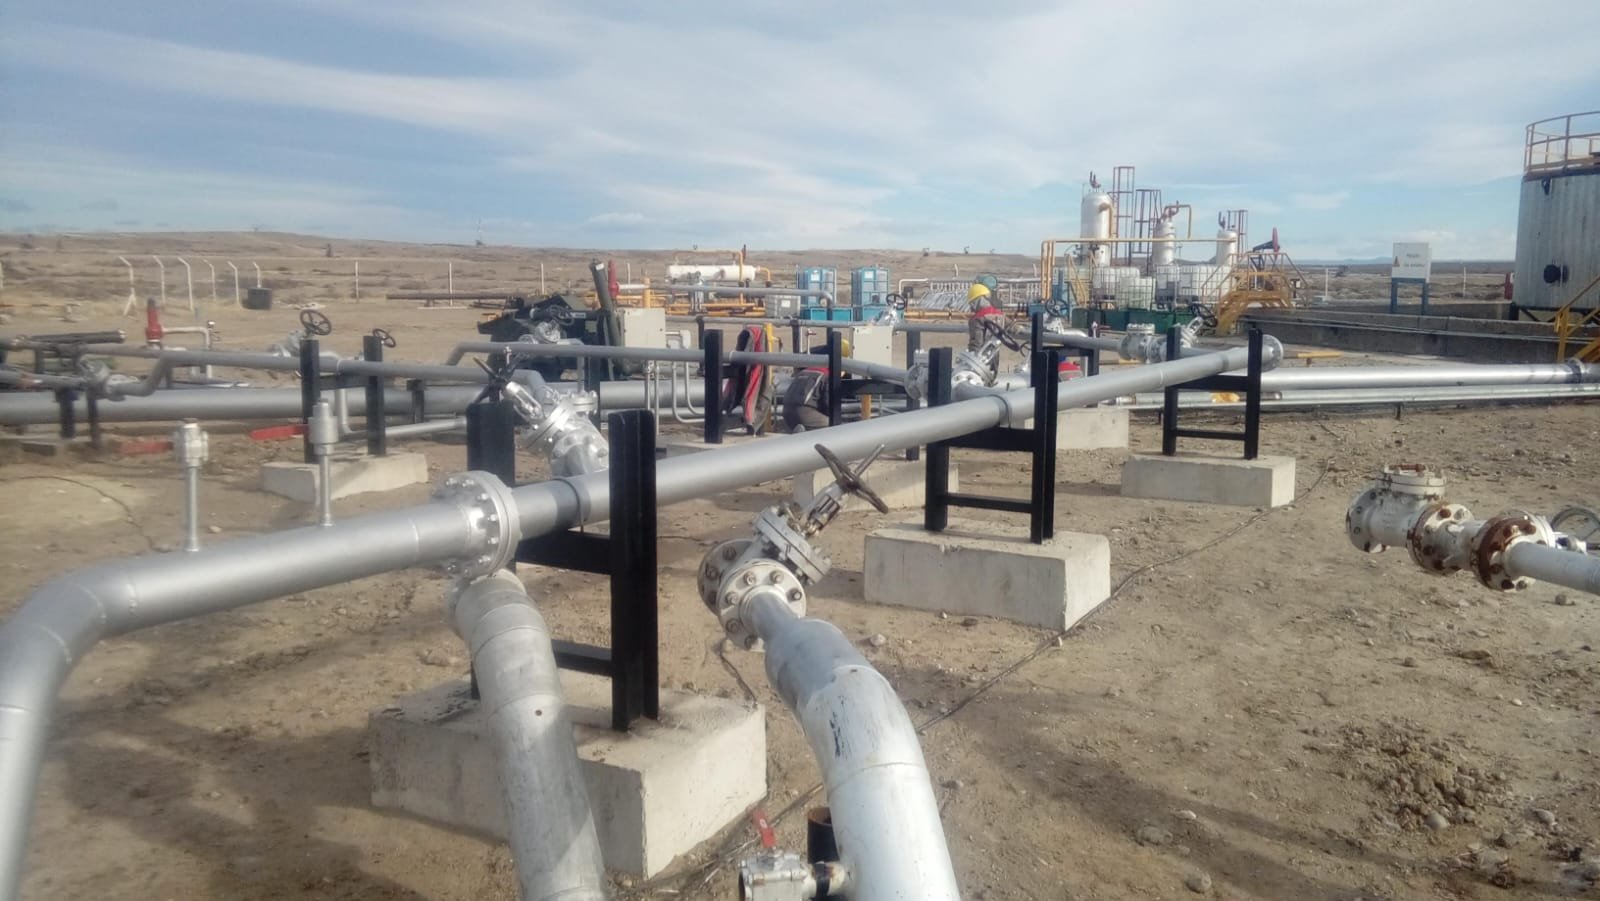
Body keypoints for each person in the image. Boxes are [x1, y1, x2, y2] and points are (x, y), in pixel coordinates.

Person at [781, 338, 851, 433]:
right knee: (834, 426)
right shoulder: (827, 375)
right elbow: (828, 404)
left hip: (786, 411)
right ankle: (804, 432)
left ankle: (801, 432)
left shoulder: (807, 370)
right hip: (805, 412)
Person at [966, 282, 1009, 352]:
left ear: (977, 301)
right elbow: (1013, 327)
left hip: (979, 355)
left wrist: (972, 352)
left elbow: (977, 342)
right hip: (994, 353)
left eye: (972, 303)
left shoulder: (976, 319)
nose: (971, 306)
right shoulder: (999, 314)